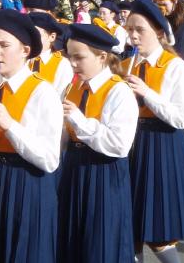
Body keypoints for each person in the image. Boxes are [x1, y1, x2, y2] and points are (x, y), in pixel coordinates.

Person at [0, 10, 63, 263]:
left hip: (27, 183)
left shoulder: (42, 91)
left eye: (4, 45)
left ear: (25, 50)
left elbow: (49, 159)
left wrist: (10, 125)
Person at [123, 0, 184, 263]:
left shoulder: (173, 65)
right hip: (132, 143)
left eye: (139, 30)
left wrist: (146, 93)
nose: (132, 35)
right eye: (129, 29)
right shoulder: (126, 65)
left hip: (162, 145)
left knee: (158, 230)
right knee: (128, 226)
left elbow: (179, 118)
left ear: (157, 31)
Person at [59, 23, 138, 262]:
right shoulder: (72, 87)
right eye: (70, 57)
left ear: (102, 56)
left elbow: (119, 144)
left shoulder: (118, 91)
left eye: (79, 58)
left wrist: (78, 120)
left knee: (101, 242)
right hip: (74, 167)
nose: (72, 64)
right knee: (73, 240)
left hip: (104, 171)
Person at [27, 12, 73, 94]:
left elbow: (60, 98)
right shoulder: (21, 59)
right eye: (28, 34)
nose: (31, 38)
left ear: (52, 37)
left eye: (37, 34)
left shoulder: (62, 65)